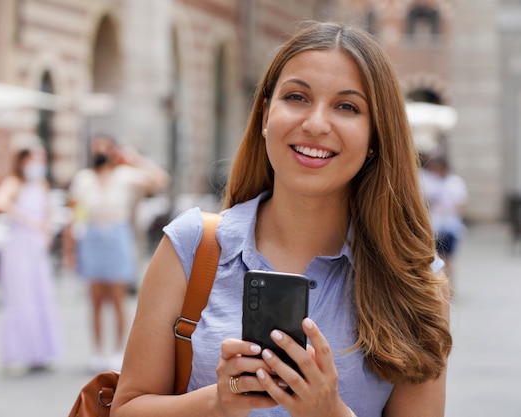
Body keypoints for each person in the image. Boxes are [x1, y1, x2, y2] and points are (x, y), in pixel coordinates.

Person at [110, 21, 452, 417]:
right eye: (297, 97)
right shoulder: (192, 246)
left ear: (376, 136)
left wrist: (330, 413)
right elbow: (126, 409)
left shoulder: (415, 282)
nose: (316, 124)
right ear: (265, 115)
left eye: (347, 107)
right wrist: (216, 402)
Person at [64, 134, 170, 372]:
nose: (100, 150)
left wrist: (135, 159)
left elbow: (161, 180)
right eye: (96, 146)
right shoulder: (83, 179)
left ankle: (118, 351)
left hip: (117, 236)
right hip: (92, 236)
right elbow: (74, 213)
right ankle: (98, 352)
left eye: (105, 146)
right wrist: (70, 249)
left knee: (117, 298)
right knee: (95, 299)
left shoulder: (125, 176)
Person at [0, 146, 62, 375]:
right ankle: (16, 354)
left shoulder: (41, 185)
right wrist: (25, 219)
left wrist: (46, 230)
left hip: (36, 248)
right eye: (34, 158)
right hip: (18, 247)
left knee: (39, 296)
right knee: (20, 298)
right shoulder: (14, 183)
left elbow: (48, 212)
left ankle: (38, 353)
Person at [420, 152, 468, 284]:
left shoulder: (455, 183)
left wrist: (447, 209)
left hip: (450, 226)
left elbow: (462, 204)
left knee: (449, 258)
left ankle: (449, 285)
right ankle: (439, 285)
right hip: (434, 225)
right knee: (435, 258)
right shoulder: (429, 182)